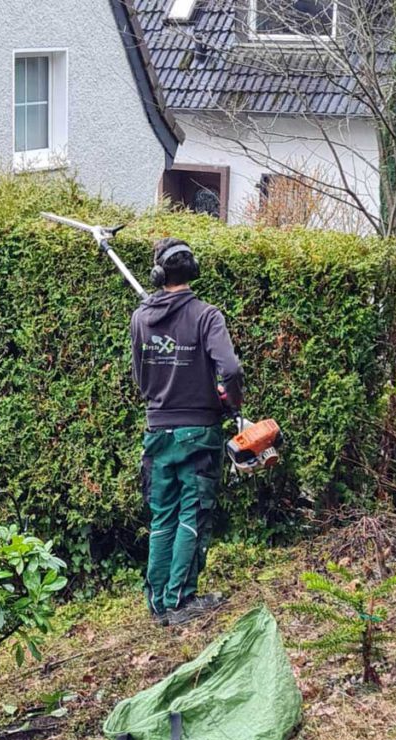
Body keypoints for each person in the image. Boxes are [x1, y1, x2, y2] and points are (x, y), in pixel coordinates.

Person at [131, 238, 244, 627]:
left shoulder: (140, 318)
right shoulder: (206, 315)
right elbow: (229, 368)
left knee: (163, 515)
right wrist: (232, 402)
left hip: (157, 429)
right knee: (191, 513)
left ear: (159, 274)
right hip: (198, 431)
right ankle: (179, 601)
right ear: (192, 271)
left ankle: (158, 603)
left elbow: (139, 376)